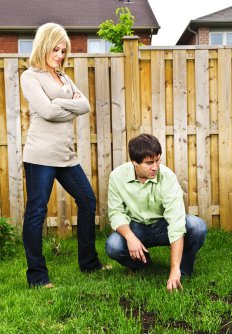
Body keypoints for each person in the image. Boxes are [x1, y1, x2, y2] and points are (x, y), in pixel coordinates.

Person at [21, 23, 104, 288]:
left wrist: (59, 103)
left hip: (66, 155)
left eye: (63, 50)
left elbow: (86, 106)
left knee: (88, 201)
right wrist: (67, 107)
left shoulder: (64, 78)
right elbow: (46, 112)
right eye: (55, 49)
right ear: (43, 45)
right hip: (40, 156)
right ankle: (37, 276)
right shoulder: (31, 77)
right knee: (37, 212)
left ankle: (89, 264)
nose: (59, 54)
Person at [105, 134, 207, 293]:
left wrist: (174, 268)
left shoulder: (167, 177)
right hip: (136, 228)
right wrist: (130, 238)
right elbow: (116, 213)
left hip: (163, 226)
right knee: (113, 246)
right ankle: (142, 264)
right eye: (149, 163)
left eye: (158, 160)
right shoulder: (117, 176)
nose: (155, 167)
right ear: (134, 162)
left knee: (197, 226)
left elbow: (176, 222)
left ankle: (182, 271)